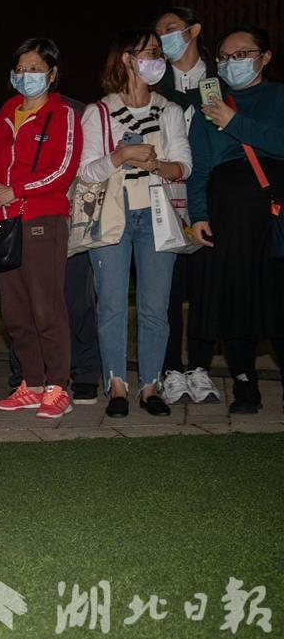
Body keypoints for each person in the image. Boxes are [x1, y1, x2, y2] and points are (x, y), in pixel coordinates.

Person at [79, 29, 192, 418]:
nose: (158, 60)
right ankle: (116, 386)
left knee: (155, 307)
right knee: (111, 304)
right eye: (150, 52)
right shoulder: (99, 112)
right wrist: (122, 155)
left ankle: (150, 386)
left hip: (159, 214)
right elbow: (86, 171)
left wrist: (156, 163)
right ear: (127, 58)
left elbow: (184, 166)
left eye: (159, 53)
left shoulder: (169, 110)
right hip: (113, 213)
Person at [0, 37, 80, 419]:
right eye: (20, 69)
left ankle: (58, 386)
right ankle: (32, 385)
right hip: (2, 224)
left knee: (46, 308)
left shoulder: (63, 114)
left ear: (52, 73)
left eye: (35, 68)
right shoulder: (4, 114)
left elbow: (63, 168)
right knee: (15, 313)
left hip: (41, 220)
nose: (26, 75)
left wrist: (16, 190)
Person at [186, 25, 284, 414]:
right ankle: (245, 386)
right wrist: (199, 214)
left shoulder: (278, 97)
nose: (232, 63)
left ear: (265, 57)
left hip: (274, 210)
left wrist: (233, 121)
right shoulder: (208, 107)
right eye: (225, 57)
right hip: (227, 213)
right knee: (234, 299)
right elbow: (199, 168)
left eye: (242, 55)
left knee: (276, 295)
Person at [152, 6, 223, 404]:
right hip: (164, 194)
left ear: (194, 30)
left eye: (172, 28)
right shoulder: (153, 82)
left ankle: (199, 367)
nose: (164, 36)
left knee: (204, 286)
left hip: (211, 195)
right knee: (166, 287)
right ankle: (170, 370)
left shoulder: (221, 79)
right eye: (159, 31)